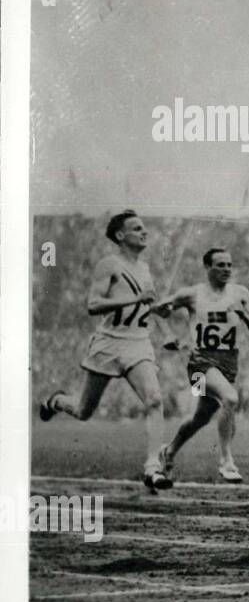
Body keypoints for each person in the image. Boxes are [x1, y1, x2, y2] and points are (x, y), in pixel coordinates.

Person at [38, 210, 170, 492]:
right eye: (137, 228)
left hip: (138, 342)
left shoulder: (145, 268)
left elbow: (148, 306)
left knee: (155, 399)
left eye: (144, 227)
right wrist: (137, 297)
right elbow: (93, 305)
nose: (144, 232)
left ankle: (153, 468)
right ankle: (57, 401)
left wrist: (165, 324)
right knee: (84, 410)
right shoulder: (108, 265)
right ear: (120, 236)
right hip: (109, 342)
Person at [151, 247, 249, 483]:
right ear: (207, 267)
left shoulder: (240, 294)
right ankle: (226, 461)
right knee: (230, 399)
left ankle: (169, 451)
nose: (226, 269)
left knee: (201, 417)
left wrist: (244, 315)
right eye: (220, 265)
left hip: (228, 362)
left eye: (229, 265)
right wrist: (170, 332)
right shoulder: (192, 294)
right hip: (200, 363)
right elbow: (158, 309)